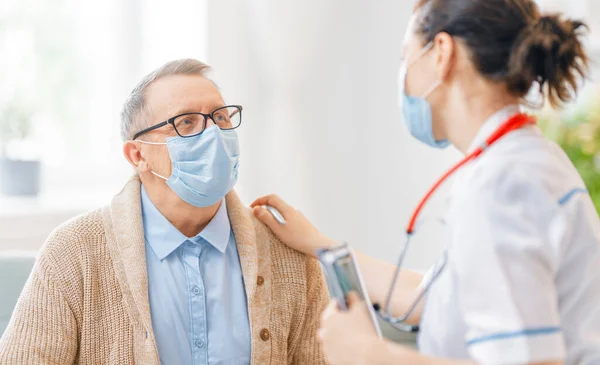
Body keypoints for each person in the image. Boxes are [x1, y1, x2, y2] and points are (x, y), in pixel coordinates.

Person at [251, 0, 600, 364]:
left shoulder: (502, 185)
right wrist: (317, 244)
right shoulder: (523, 162)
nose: (403, 76)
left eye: (407, 57)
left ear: (441, 54)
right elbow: (422, 295)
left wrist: (369, 353)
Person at [0, 59, 329, 365]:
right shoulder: (73, 253)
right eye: (186, 122)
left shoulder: (291, 255)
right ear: (138, 155)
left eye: (221, 117)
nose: (212, 133)